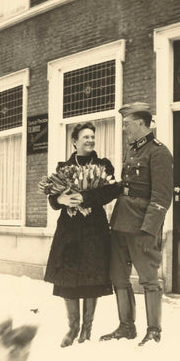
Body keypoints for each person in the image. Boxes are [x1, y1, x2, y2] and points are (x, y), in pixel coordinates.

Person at [100, 102, 173, 346]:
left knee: (149, 279)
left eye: (126, 124)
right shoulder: (132, 150)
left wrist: (149, 229)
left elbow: (162, 196)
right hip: (121, 223)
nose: (123, 129)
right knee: (118, 277)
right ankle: (126, 326)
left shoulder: (159, 152)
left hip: (142, 226)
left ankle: (154, 330)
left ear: (141, 123)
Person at [44, 122, 121, 347]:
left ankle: (87, 328)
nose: (90, 140)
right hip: (69, 230)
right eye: (85, 137)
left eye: (92, 137)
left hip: (94, 229)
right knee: (67, 278)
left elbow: (111, 191)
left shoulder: (103, 165)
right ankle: (73, 327)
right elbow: (52, 197)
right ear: (74, 141)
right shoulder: (63, 167)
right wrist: (61, 199)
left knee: (92, 276)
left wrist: (85, 199)